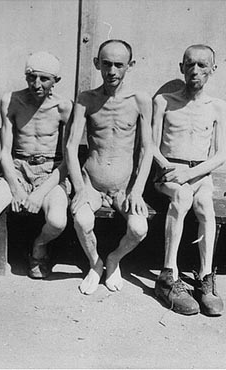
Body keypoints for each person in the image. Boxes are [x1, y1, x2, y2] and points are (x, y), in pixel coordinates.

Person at [0, 51, 72, 279]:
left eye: (44, 79)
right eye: (31, 77)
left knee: (57, 221)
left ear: (55, 81)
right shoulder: (12, 100)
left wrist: (39, 194)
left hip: (49, 171)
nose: (36, 84)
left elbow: (68, 159)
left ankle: (38, 247)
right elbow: (5, 152)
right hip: (17, 168)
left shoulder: (64, 107)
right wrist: (17, 189)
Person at [66, 39, 153, 295]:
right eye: (106, 64)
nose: (111, 71)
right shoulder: (86, 99)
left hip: (124, 187)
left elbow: (148, 149)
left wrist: (137, 190)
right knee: (82, 220)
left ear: (130, 66)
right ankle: (95, 263)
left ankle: (114, 259)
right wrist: (80, 188)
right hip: (91, 183)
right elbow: (71, 147)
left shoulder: (140, 100)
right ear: (97, 64)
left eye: (118, 65)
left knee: (139, 229)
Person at [152, 44, 226, 316]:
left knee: (206, 204)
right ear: (181, 67)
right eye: (190, 64)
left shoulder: (217, 106)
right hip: (169, 174)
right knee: (182, 196)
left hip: (199, 173)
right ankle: (167, 275)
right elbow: (150, 145)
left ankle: (205, 277)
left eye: (202, 65)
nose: (195, 71)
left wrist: (192, 174)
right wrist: (167, 166)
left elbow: (221, 154)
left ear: (212, 69)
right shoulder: (164, 101)